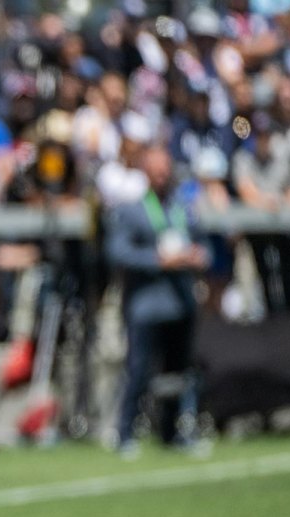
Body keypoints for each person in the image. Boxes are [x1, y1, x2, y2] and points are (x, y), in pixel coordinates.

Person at [105, 145, 207, 455]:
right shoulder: (132, 210)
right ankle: (125, 432)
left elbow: (205, 246)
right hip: (146, 304)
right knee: (139, 370)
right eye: (156, 170)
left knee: (176, 373)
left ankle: (172, 432)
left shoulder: (182, 208)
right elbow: (118, 251)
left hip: (180, 303)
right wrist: (157, 260)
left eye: (166, 169)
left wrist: (197, 256)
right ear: (146, 174)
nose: (163, 176)